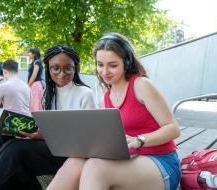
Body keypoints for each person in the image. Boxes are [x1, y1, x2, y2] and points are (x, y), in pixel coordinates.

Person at [47, 33, 181, 190]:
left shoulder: (141, 85)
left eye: (112, 65)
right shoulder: (107, 96)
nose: (105, 72)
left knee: (95, 168)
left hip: (160, 161)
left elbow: (173, 128)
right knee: (74, 161)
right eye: (100, 64)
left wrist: (139, 140)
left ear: (127, 62)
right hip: (130, 158)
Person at [0, 45, 96, 190]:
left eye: (68, 68)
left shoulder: (85, 93)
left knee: (16, 150)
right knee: (0, 140)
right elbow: (46, 123)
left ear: (75, 68)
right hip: (51, 144)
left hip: (71, 154)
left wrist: (46, 135)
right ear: (48, 68)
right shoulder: (47, 93)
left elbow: (88, 140)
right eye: (56, 68)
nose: (62, 73)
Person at [0, 59, 31, 154]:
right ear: (17, 71)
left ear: (4, 71)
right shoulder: (26, 86)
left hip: (10, 126)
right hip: (25, 124)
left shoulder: (3, 86)